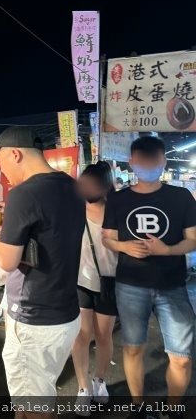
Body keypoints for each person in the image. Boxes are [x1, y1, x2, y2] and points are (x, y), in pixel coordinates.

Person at [0, 126, 85, 419]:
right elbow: (50, 237)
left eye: (1, 162)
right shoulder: (71, 186)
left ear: (15, 154)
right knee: (32, 399)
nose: (2, 171)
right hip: (65, 314)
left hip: (33, 319)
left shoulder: (24, 194)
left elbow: (7, 261)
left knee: (35, 408)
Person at [102, 136, 196, 417]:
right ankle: (138, 406)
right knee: (132, 349)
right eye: (141, 161)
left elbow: (193, 239)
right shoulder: (118, 199)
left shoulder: (181, 197)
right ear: (131, 163)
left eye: (152, 161)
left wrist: (167, 250)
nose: (147, 166)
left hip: (173, 285)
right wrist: (124, 246)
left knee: (180, 357)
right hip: (131, 285)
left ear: (163, 162)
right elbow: (107, 238)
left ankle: (172, 410)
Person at [71, 162, 118, 415]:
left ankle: (99, 379)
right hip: (80, 281)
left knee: (103, 335)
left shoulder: (117, 212)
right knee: (81, 334)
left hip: (109, 282)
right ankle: (82, 387)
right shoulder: (75, 210)